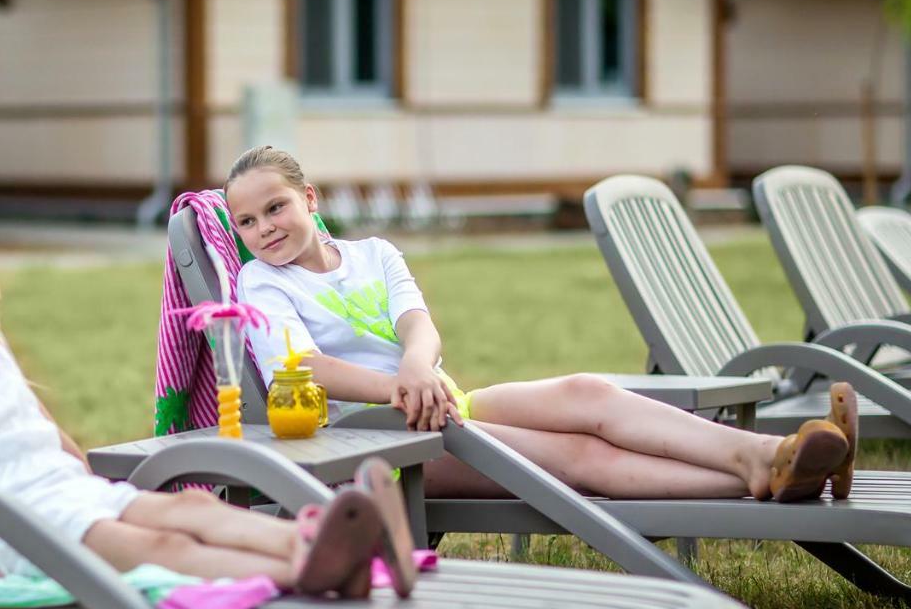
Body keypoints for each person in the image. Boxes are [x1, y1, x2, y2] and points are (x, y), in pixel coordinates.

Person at [225, 146, 858, 504]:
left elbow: (417, 322)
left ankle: (766, 455)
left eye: (275, 207)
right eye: (247, 223)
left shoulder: (374, 254)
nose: (264, 230)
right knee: (577, 457)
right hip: (378, 443)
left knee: (589, 393)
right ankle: (759, 479)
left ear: (310, 199)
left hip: (445, 404)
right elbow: (301, 365)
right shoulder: (262, 282)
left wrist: (418, 367)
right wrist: (400, 391)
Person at [0, 214, 417, 598]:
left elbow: (50, 436)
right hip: (11, 520)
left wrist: (96, 485)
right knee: (160, 546)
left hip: (64, 496)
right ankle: (307, 569)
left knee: (192, 509)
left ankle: (329, 542)